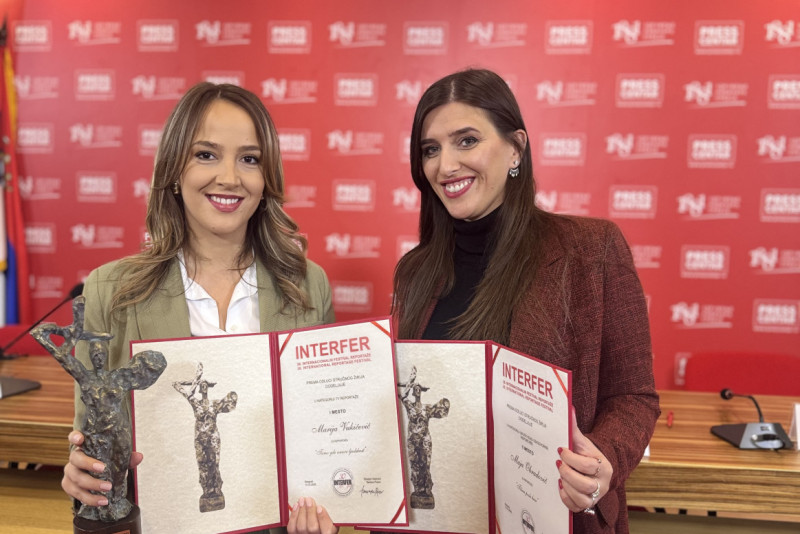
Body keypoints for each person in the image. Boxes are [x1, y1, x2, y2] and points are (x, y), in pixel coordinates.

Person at [390, 68, 659, 534]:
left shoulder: (591, 250)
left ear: (515, 148)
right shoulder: (414, 271)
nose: (445, 165)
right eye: (430, 149)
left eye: (467, 141)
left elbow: (633, 397)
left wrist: (603, 461)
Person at [60, 82, 335, 531]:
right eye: (206, 154)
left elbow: (324, 433)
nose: (229, 177)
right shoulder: (110, 290)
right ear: (173, 169)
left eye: (250, 159)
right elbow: (90, 441)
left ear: (266, 179)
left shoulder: (308, 285)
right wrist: (82, 477)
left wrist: (323, 505)